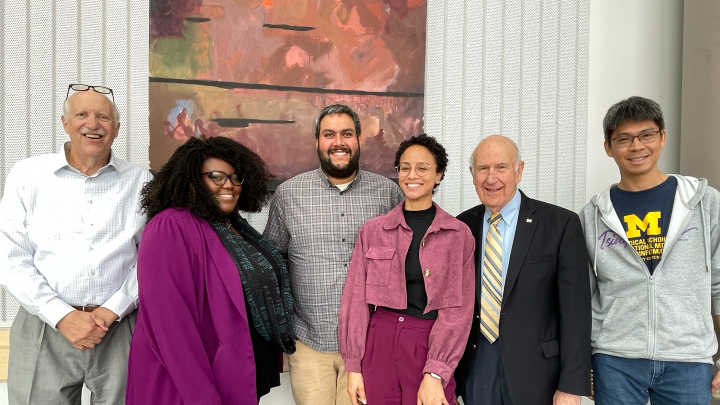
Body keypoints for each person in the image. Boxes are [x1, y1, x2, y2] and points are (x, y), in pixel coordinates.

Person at [0, 84, 152, 403]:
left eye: (103, 117)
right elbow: (9, 256)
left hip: (120, 327)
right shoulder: (28, 175)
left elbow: (151, 259)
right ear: (64, 123)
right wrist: (61, 315)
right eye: (81, 114)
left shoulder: (142, 182)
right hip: (44, 326)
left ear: (117, 128)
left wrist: (114, 309)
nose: (92, 124)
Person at [125, 136, 296, 404]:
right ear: (192, 180)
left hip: (239, 374)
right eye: (216, 176)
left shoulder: (232, 226)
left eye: (235, 177)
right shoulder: (170, 227)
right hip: (190, 384)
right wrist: (201, 396)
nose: (229, 185)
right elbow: (170, 327)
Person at [579, 96, 720, 405]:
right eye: (624, 139)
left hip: (689, 357)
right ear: (608, 147)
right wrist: (583, 365)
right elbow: (583, 297)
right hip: (615, 359)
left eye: (646, 135)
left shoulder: (705, 203)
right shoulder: (592, 216)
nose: (636, 146)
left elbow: (719, 285)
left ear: (662, 137)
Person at [263, 104, 404, 405]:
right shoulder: (289, 195)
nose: (338, 142)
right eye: (329, 134)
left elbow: (402, 265)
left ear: (358, 140)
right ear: (317, 141)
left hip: (370, 345)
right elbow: (272, 262)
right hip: (310, 343)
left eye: (346, 134)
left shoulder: (388, 194)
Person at [339, 134, 475, 405]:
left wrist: (436, 371)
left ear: (438, 175)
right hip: (379, 344)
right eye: (405, 167)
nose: (412, 175)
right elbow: (355, 302)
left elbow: (458, 311)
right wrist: (353, 366)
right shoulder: (373, 231)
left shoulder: (458, 235)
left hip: (428, 342)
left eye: (423, 168)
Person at [455, 135, 591, 405]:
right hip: (478, 366)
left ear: (519, 171)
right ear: (472, 175)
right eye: (483, 168)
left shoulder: (560, 224)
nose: (491, 178)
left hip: (539, 374)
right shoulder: (461, 228)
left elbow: (576, 312)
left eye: (501, 167)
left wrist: (572, 385)